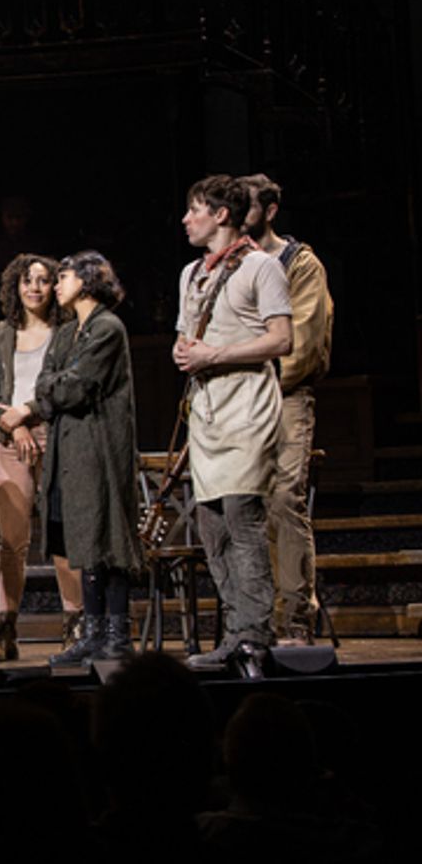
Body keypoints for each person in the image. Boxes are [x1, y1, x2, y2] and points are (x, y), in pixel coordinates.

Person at [174, 175, 293, 665]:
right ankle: (233, 631)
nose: (186, 219)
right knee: (212, 526)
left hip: (247, 405)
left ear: (221, 214)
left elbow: (281, 340)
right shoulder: (190, 273)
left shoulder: (262, 267)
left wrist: (216, 353)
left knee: (243, 518)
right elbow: (187, 338)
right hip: (208, 412)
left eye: (194, 209)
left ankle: (255, 636)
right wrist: (186, 353)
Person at [2, 251, 142, 665]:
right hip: (69, 447)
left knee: (107, 538)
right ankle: (92, 633)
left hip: (98, 448)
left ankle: (117, 634)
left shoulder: (107, 328)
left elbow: (76, 386)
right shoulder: (68, 334)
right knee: (83, 539)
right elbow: (49, 378)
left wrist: (44, 395)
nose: (57, 285)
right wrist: (53, 387)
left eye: (62, 276)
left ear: (87, 280)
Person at [0, 254, 82, 661]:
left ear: (55, 287)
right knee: (11, 541)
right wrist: (13, 425)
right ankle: (6, 629)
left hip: (56, 438)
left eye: (43, 280)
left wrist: (31, 413)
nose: (34, 287)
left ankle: (75, 626)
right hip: (10, 441)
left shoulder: (68, 332)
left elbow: (71, 384)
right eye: (26, 281)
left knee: (64, 536)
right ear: (14, 288)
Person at [241, 173, 334, 645]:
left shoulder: (299, 264)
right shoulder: (232, 266)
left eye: (249, 206)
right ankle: (251, 623)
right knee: (243, 507)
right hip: (242, 403)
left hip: (285, 397)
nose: (239, 216)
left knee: (282, 500)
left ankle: (295, 618)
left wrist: (256, 377)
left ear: (271, 210)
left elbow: (304, 340)